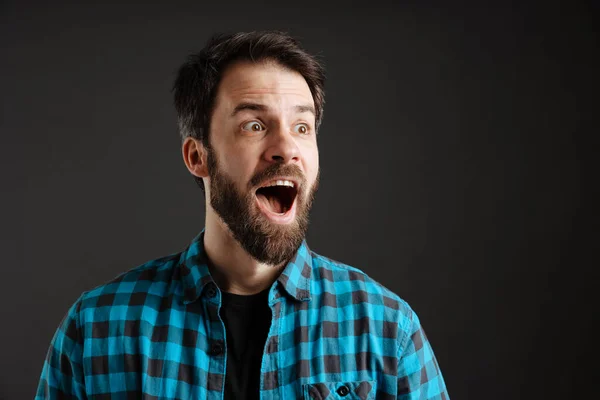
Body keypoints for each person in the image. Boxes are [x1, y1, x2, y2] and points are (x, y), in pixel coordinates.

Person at [36, 31, 449, 400]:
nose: (286, 148)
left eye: (302, 128)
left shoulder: (387, 328)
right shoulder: (97, 329)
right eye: (254, 125)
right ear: (198, 157)